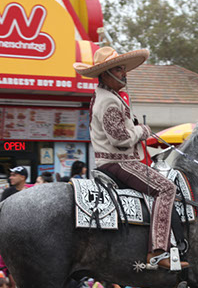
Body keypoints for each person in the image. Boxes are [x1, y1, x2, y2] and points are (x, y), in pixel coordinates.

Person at [74, 46, 187, 270]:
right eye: (118, 69)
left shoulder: (106, 96)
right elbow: (120, 138)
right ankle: (157, 251)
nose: (124, 73)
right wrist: (143, 131)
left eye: (123, 69)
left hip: (115, 161)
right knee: (166, 189)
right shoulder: (109, 101)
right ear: (105, 73)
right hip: (118, 162)